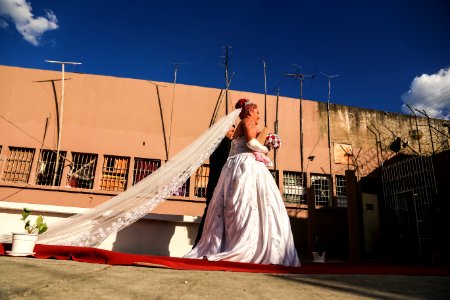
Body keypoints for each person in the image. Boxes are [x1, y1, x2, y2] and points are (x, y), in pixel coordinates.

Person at [184, 99, 300, 267]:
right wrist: (267, 149)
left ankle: (253, 242)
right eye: (257, 112)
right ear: (250, 111)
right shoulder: (247, 121)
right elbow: (252, 143)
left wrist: (268, 140)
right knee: (245, 202)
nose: (259, 116)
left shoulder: (245, 125)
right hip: (244, 165)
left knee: (254, 202)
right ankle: (247, 244)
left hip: (240, 164)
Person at [193, 125, 235, 247]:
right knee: (211, 216)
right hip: (218, 186)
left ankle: (202, 244)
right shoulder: (225, 143)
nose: (233, 133)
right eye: (232, 130)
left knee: (209, 216)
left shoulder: (217, 143)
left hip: (214, 185)